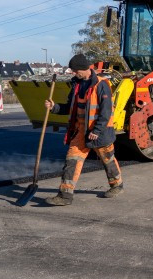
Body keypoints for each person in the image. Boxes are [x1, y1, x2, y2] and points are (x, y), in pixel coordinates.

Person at [43, 54, 123, 206]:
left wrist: (97, 131)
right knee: (71, 160)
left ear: (83, 68)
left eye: (75, 70)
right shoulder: (76, 85)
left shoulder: (101, 84)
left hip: (99, 132)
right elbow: (69, 107)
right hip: (80, 130)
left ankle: (117, 185)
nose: (73, 73)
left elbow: (106, 112)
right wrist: (54, 107)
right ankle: (65, 195)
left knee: (107, 159)